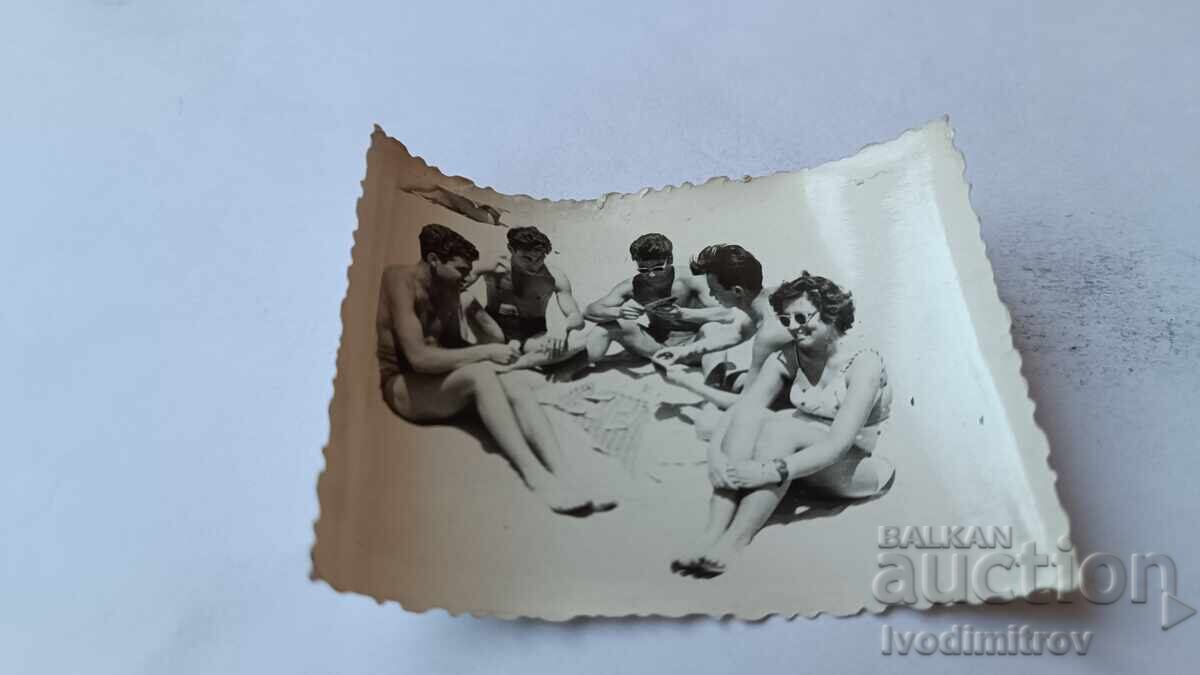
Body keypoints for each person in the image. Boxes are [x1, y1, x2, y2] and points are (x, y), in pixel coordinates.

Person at [377, 223, 614, 515]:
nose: (467, 277)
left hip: (442, 380)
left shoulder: (448, 286)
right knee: (481, 374)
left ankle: (566, 474)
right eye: (462, 270)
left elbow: (451, 343)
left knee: (514, 383)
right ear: (434, 260)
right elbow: (418, 359)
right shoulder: (398, 280)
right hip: (404, 385)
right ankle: (536, 477)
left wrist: (494, 354)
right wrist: (487, 352)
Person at [672, 272, 895, 577]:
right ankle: (711, 533)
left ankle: (737, 540)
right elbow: (743, 409)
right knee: (753, 416)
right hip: (800, 459)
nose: (794, 327)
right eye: (786, 320)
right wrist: (716, 458)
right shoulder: (789, 356)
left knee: (780, 426)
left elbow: (838, 443)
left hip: (856, 465)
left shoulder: (863, 362)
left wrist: (767, 470)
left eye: (802, 316)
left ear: (831, 313)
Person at [650, 244, 793, 408]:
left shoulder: (768, 332)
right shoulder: (769, 297)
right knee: (711, 331)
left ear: (737, 291)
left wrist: (682, 381)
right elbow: (738, 334)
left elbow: (746, 404)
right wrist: (683, 351)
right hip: (802, 377)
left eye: (714, 290)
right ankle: (713, 395)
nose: (711, 295)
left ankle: (711, 400)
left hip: (802, 397)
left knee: (710, 421)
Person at [466, 226, 599, 371]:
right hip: (493, 331)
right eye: (526, 258)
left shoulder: (554, 276)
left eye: (539, 258)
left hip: (531, 335)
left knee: (579, 343)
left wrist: (562, 328)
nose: (534, 265)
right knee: (464, 297)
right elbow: (457, 283)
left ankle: (514, 365)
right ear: (511, 249)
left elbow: (577, 318)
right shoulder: (495, 264)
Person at [583, 233, 726, 363]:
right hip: (656, 346)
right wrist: (619, 312)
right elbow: (589, 311)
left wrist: (684, 314)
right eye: (643, 270)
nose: (651, 275)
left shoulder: (690, 279)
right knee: (608, 327)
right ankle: (575, 367)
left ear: (670, 259)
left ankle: (718, 383)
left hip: (694, 345)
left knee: (713, 329)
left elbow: (727, 313)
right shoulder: (634, 285)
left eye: (657, 268)